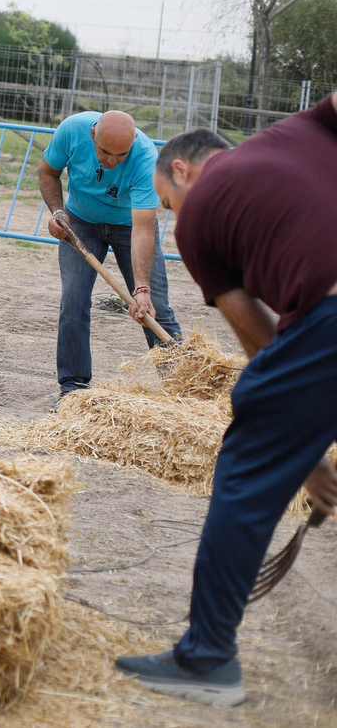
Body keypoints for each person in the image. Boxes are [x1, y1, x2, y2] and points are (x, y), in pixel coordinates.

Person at [114, 104, 337, 707]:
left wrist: (296, 454)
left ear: (182, 171)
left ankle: (206, 656)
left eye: (164, 202)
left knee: (244, 471)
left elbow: (260, 340)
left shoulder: (195, 225)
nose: (170, 216)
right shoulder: (305, 129)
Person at [37, 109, 182, 398]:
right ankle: (73, 388)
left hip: (130, 225)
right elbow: (47, 171)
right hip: (80, 222)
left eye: (121, 155)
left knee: (157, 308)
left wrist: (141, 288)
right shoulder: (72, 130)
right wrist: (57, 211)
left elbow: (142, 229)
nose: (113, 161)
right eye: (106, 153)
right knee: (74, 301)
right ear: (93, 135)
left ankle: (181, 385)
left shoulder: (145, 158)